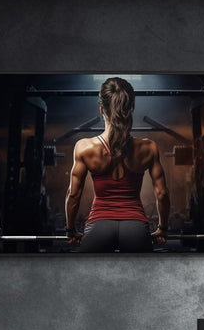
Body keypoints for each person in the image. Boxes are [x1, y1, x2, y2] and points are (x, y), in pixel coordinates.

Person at [65, 77, 170, 252]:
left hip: (98, 228)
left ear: (101, 110)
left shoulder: (84, 147)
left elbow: (73, 195)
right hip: (136, 230)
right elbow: (162, 193)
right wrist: (163, 229)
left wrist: (70, 230)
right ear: (132, 109)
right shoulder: (148, 148)